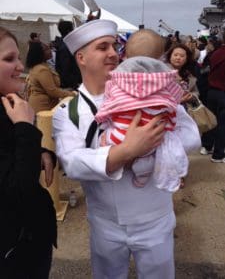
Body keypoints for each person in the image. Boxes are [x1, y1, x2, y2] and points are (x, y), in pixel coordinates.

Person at [52, 19, 200, 278]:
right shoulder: (70, 111)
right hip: (105, 225)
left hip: (156, 220)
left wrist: (153, 147)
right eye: (102, 47)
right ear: (81, 57)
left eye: (114, 46)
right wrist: (125, 152)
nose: (112, 53)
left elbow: (191, 136)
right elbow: (72, 163)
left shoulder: (148, 90)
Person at [0, 26, 57, 278]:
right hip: (13, 250)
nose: (20, 66)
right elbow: (16, 190)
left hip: (27, 241)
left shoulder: (7, 104)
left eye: (19, 57)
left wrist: (42, 151)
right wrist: (25, 127)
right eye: (9, 59)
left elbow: (12, 155)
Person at [95, 56, 198, 191]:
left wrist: (106, 125)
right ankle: (141, 177)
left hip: (116, 138)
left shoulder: (116, 88)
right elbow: (189, 138)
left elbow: (106, 110)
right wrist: (168, 128)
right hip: (153, 144)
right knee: (147, 161)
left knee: (105, 139)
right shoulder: (165, 98)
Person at [26, 41, 74, 113]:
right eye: (47, 49)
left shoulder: (40, 66)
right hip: (43, 107)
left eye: (49, 48)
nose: (50, 51)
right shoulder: (42, 70)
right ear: (40, 53)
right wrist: (72, 94)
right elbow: (52, 91)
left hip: (44, 104)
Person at [200, 31, 225, 162]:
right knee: (222, 124)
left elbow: (204, 70)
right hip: (223, 92)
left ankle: (207, 146)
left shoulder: (213, 53)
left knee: (210, 121)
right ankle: (219, 154)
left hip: (211, 92)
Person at [54, 20, 82, 89]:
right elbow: (65, 67)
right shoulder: (65, 47)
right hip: (70, 85)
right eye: (72, 29)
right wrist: (73, 84)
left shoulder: (64, 44)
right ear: (69, 31)